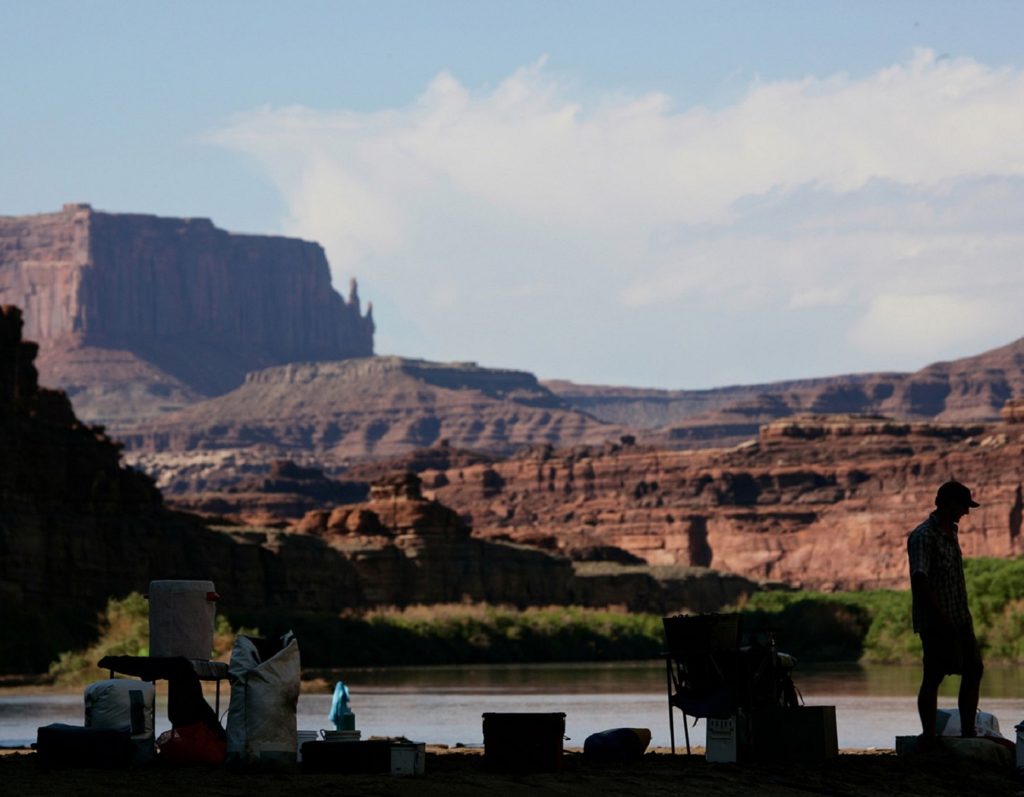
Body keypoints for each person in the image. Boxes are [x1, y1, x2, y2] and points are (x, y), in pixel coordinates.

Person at [906, 480, 984, 741]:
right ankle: (928, 736)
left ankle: (968, 732)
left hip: (960, 618)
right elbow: (920, 581)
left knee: (974, 669)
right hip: (936, 622)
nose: (966, 512)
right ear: (947, 504)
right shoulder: (923, 536)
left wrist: (961, 618)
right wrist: (942, 621)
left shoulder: (951, 531)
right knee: (934, 675)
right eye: (963, 505)